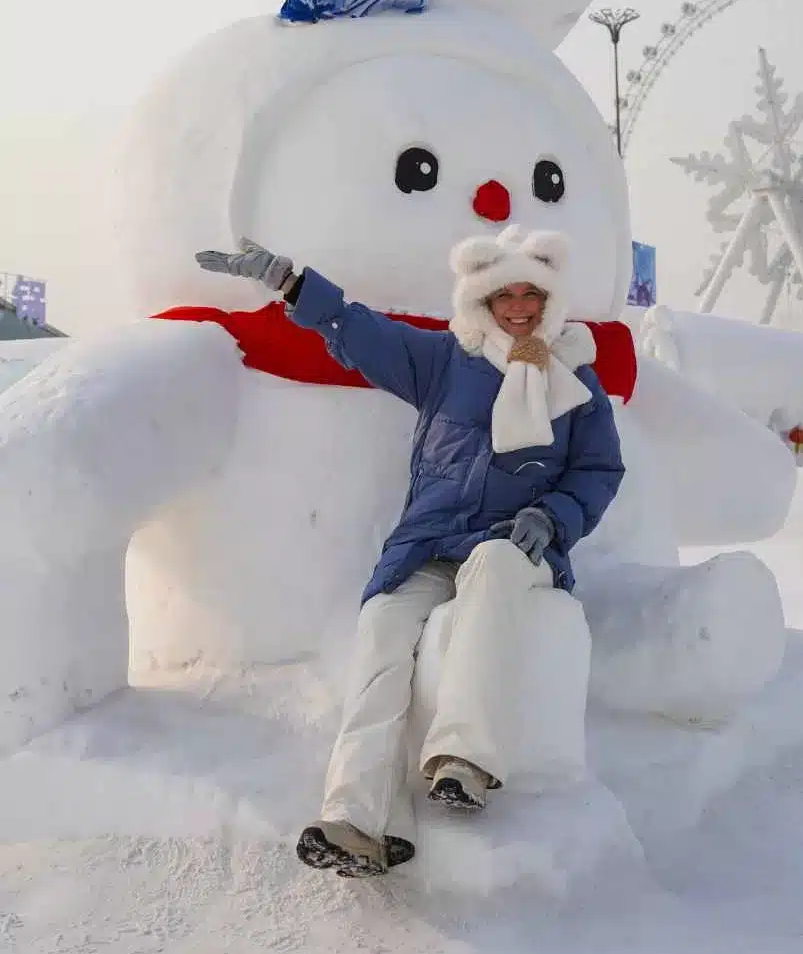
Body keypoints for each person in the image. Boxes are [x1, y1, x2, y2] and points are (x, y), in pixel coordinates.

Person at [195, 227, 624, 878]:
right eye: (502, 294)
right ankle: (358, 818)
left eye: (530, 294)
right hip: (428, 543)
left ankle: (465, 760)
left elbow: (599, 470)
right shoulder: (447, 360)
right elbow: (359, 330)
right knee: (382, 627)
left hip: (518, 546)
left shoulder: (576, 378)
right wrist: (290, 281)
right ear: (481, 298)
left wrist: (554, 515)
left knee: (495, 565)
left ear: (548, 298)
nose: (517, 307)